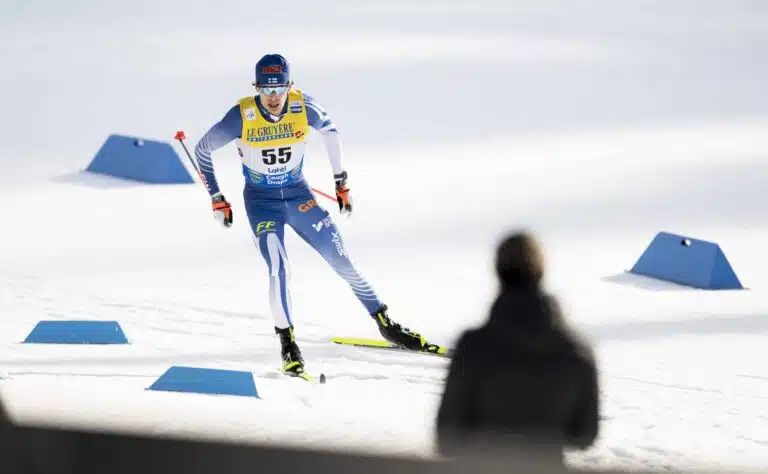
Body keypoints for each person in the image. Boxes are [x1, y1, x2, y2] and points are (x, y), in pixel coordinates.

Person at [194, 53, 443, 376]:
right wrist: (217, 197)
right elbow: (202, 149)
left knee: (340, 258)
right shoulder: (241, 115)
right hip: (262, 202)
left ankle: (385, 323)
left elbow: (332, 133)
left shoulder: (303, 107)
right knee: (278, 265)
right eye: (266, 89)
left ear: (290, 85)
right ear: (256, 87)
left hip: (299, 197)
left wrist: (341, 182)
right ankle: (288, 344)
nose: (272, 97)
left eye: (279, 88)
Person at [435, 231, 599, 466]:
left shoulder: (474, 346)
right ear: (541, 272)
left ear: (497, 272)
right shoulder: (576, 350)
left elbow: (448, 438)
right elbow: (584, 435)